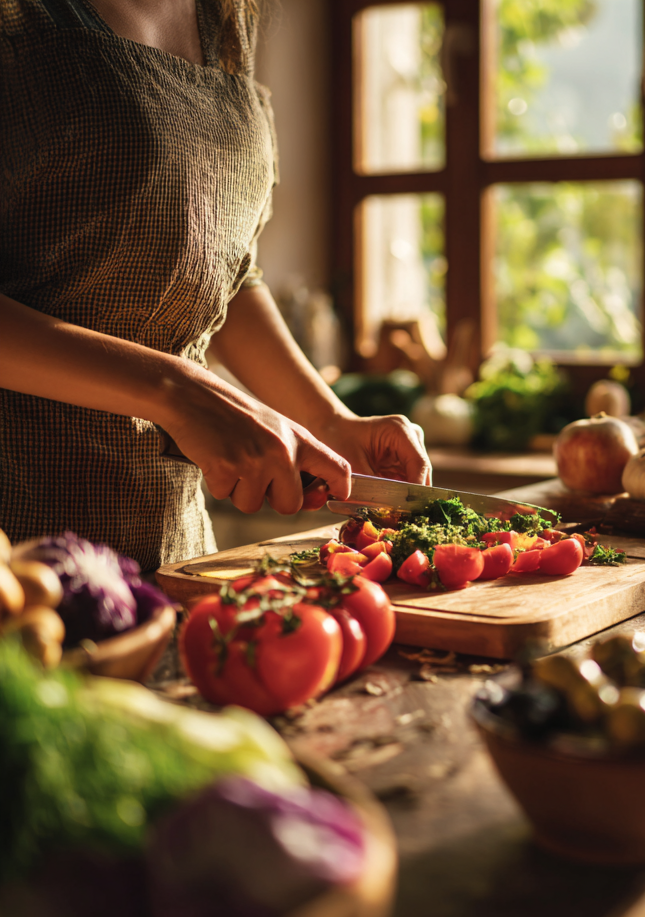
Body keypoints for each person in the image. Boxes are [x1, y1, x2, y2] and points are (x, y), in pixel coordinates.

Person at [0, 0, 431, 570]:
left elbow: (220, 268)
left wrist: (328, 421)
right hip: (16, 539)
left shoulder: (227, 18)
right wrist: (176, 389)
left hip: (167, 543)